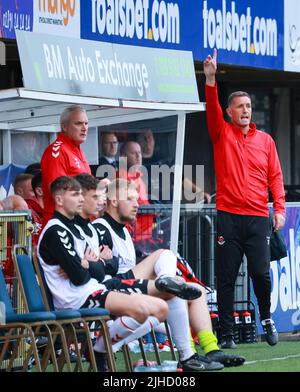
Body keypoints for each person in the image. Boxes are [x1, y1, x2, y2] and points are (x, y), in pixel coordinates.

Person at [93, 179, 245, 370]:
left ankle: (211, 349)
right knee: (165, 257)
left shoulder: (123, 230)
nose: (137, 204)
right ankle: (187, 353)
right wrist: (107, 262)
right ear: (113, 201)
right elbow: (96, 270)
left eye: (136, 199)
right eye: (130, 199)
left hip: (131, 289)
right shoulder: (100, 228)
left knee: (194, 290)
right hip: (113, 292)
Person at [37, 176, 168, 371]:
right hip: (76, 298)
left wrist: (88, 263)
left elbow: (105, 269)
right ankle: (99, 350)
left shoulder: (79, 229)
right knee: (141, 309)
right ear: (59, 200)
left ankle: (100, 346)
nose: (81, 200)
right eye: (75, 195)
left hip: (96, 287)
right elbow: (79, 277)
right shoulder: (56, 230)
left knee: (161, 308)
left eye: (82, 195)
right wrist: (92, 264)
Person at [203, 49, 286, 348]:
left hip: (257, 218)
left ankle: (266, 318)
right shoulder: (220, 133)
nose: (246, 110)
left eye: (248, 106)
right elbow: (211, 108)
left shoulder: (266, 141)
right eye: (239, 106)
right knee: (225, 278)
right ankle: (226, 335)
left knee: (261, 275)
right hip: (228, 215)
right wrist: (210, 79)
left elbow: (276, 177)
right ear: (229, 111)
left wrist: (279, 210)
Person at [41, 105, 91, 226]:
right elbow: (58, 190)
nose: (84, 128)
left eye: (86, 123)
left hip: (77, 222)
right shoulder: (57, 151)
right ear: (64, 126)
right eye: (78, 123)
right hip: (61, 224)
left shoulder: (77, 150)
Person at [137, 129, 212, 203]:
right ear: (138, 141)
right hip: (144, 209)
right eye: (144, 138)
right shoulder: (136, 163)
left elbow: (180, 180)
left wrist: (199, 193)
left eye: (150, 137)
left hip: (167, 209)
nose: (147, 141)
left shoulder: (165, 160)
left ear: (154, 140)